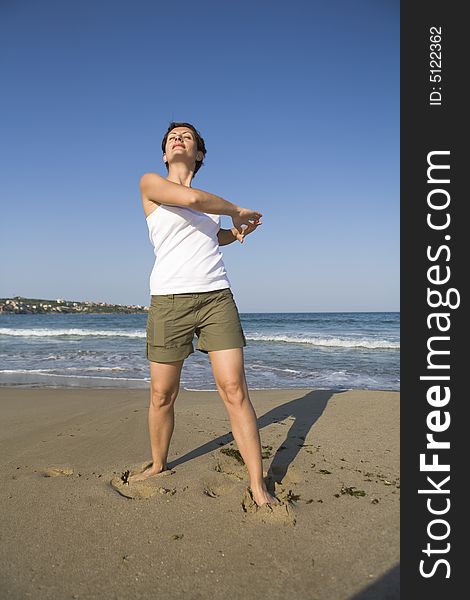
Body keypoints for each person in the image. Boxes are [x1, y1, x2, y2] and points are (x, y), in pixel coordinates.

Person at [130, 121, 277, 507]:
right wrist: (236, 210)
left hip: (216, 299)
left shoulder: (208, 204)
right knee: (162, 393)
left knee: (234, 390)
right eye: (173, 138)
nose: (179, 140)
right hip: (168, 302)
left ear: (199, 154)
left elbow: (210, 235)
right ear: (165, 153)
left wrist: (236, 233)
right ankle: (159, 463)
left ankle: (257, 485)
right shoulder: (151, 184)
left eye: (188, 137)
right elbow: (193, 202)